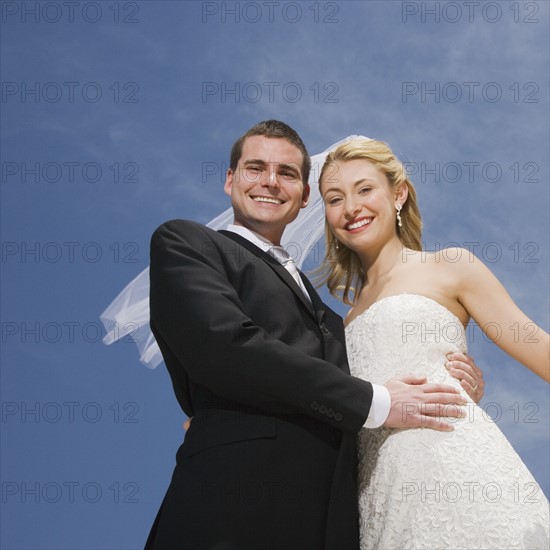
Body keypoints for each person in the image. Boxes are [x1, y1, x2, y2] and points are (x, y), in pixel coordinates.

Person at [142, 121, 484, 550]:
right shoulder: (187, 243)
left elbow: (361, 375)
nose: (270, 181)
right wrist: (378, 402)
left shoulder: (329, 314)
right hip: (231, 507)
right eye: (255, 168)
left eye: (287, 173)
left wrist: (445, 374)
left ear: (305, 197)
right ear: (230, 180)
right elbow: (226, 345)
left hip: (330, 521)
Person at [318, 137, 550, 549]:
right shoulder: (342, 322)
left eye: (365, 189)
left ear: (399, 194)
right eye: (335, 198)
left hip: (459, 469)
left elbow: (540, 349)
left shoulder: (450, 266)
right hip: (381, 496)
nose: (351, 207)